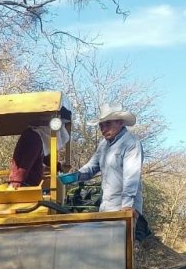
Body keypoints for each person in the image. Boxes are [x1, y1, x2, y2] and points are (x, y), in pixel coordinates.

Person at [59, 101, 149, 240]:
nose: (103, 128)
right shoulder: (103, 145)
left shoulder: (131, 143)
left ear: (120, 122)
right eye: (101, 125)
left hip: (125, 206)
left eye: (108, 124)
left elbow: (131, 177)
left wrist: (126, 207)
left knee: (122, 251)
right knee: (107, 246)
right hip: (107, 205)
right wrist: (74, 176)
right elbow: (91, 168)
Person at [9, 122, 70, 188]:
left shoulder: (37, 138)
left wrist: (57, 166)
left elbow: (43, 157)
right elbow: (23, 168)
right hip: (23, 189)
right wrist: (15, 187)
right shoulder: (34, 140)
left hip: (27, 187)